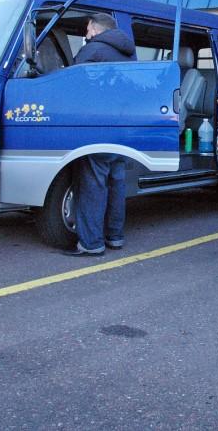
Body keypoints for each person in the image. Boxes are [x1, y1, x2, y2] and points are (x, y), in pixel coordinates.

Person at [64, 13, 137, 256]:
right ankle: (114, 237)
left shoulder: (93, 50)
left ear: (95, 29)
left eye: (87, 30)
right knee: (116, 182)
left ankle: (91, 243)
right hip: (123, 126)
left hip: (98, 126)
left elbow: (70, 82)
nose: (85, 35)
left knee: (93, 185)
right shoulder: (129, 53)